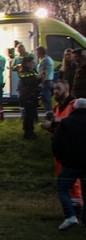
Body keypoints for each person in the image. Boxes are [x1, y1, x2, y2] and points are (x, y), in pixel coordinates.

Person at [42, 79, 82, 221]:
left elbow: (71, 125)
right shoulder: (58, 107)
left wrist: (52, 124)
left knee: (73, 183)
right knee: (65, 181)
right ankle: (72, 209)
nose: (55, 92)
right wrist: (50, 127)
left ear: (67, 89)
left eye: (58, 89)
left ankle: (76, 208)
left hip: (72, 151)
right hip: (61, 150)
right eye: (54, 89)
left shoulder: (74, 105)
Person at [53, 98, 86, 231]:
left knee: (62, 189)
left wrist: (62, 159)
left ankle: (70, 216)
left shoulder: (67, 123)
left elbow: (56, 143)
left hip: (70, 163)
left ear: (74, 108)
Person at [18, 54, 41, 139]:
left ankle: (30, 131)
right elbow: (30, 81)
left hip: (32, 95)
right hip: (28, 96)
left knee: (31, 115)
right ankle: (28, 133)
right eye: (32, 62)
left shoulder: (31, 71)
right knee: (29, 115)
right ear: (27, 63)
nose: (33, 64)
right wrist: (37, 78)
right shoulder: (25, 72)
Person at [36, 46, 55, 114]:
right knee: (47, 99)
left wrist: (42, 82)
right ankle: (49, 113)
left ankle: (49, 114)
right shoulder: (49, 59)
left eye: (37, 52)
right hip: (49, 81)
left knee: (46, 99)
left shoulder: (45, 60)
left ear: (40, 52)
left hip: (46, 82)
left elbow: (44, 72)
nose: (36, 54)